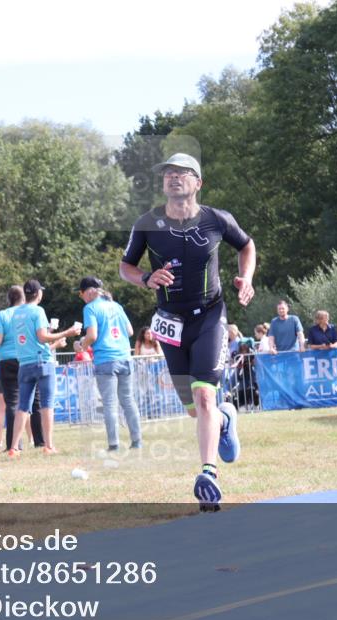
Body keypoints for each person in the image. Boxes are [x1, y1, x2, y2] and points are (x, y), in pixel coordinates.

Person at [120, 152, 255, 510]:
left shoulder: (217, 220)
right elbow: (125, 267)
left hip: (210, 316)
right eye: (168, 174)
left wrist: (247, 278)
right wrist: (146, 278)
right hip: (170, 323)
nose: (173, 178)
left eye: (182, 173)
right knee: (196, 410)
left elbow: (247, 246)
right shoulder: (147, 223)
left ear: (198, 183)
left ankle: (208, 473)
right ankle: (226, 420)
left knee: (205, 397)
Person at [6, 279, 80, 456]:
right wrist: (68, 332)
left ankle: (14, 448)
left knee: (23, 406)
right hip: (42, 362)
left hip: (24, 363)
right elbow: (41, 337)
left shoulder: (15, 313)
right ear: (38, 294)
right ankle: (48, 446)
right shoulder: (38, 311)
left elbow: (31, 337)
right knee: (46, 404)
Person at [75, 276, 143, 452]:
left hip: (106, 359)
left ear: (88, 292)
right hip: (125, 357)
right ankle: (137, 441)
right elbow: (129, 331)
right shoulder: (117, 306)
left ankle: (114, 444)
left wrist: (81, 345)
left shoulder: (90, 308)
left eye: (81, 294)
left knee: (110, 403)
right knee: (128, 400)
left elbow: (92, 336)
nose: (82, 298)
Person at [0, 285, 46, 453]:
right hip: (28, 358)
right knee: (35, 401)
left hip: (7, 361)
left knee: (13, 402)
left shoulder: (3, 315)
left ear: (9, 298)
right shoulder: (31, 312)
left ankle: (14, 445)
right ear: (24, 297)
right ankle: (40, 441)